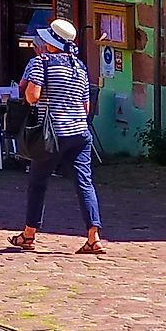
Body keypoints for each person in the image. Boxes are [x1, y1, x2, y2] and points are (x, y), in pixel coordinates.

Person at [11, 19, 103, 255]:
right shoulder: (79, 66)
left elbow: (32, 96)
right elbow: (86, 106)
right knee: (84, 183)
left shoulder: (40, 63)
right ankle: (94, 236)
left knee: (38, 183)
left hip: (52, 134)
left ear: (49, 42)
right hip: (80, 133)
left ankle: (29, 234)